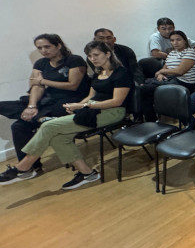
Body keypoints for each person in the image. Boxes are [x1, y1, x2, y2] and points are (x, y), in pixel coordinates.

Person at [0, 41, 131, 189]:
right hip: (92, 109)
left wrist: (83, 106)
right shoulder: (99, 73)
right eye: (89, 56)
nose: (93, 59)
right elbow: (90, 96)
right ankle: (87, 174)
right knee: (58, 138)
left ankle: (23, 168)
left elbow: (116, 101)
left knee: (48, 126)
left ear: (107, 54)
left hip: (112, 112)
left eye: (96, 55)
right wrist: (76, 106)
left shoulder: (121, 73)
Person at [0, 34, 89, 176]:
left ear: (58, 45)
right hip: (47, 101)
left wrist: (43, 81)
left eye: (47, 46)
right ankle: (31, 167)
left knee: (27, 120)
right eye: (40, 48)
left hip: (71, 101)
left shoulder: (74, 60)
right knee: (17, 125)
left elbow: (73, 85)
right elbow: (35, 86)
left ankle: (41, 119)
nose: (43, 51)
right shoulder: (40, 63)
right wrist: (31, 107)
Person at [139, 30, 195, 121]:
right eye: (172, 40)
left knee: (144, 89)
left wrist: (161, 71)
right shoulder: (172, 53)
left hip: (184, 82)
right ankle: (151, 121)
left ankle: (151, 120)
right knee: (143, 90)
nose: (175, 43)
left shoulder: (191, 53)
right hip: (171, 79)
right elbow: (164, 68)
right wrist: (160, 74)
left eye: (178, 40)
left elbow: (180, 71)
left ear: (185, 40)